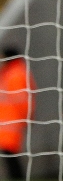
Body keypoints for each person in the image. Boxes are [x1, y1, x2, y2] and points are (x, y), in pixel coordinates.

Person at [0, 48, 35, 180]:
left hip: (11, 123)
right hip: (7, 122)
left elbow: (22, 100)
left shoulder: (16, 73)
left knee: (11, 156)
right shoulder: (10, 72)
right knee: (9, 156)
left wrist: (26, 118)